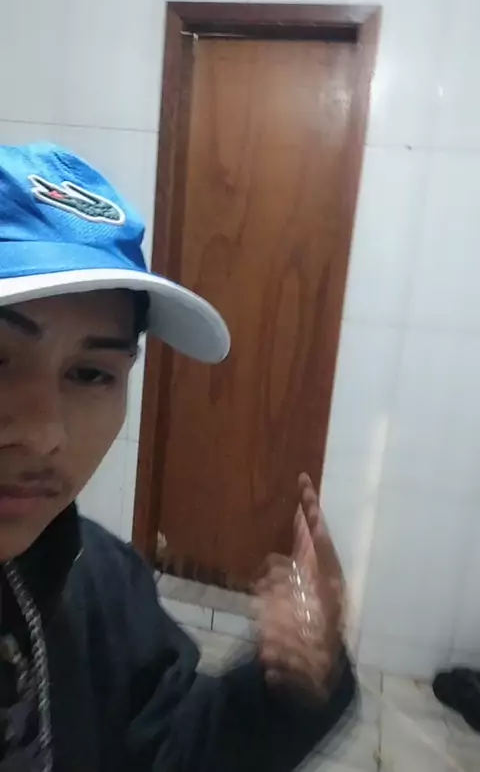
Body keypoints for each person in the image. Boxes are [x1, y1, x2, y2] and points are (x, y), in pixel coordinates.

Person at [0, 142, 356, 772]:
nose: (44, 433)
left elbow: (168, 747)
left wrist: (285, 693)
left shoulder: (98, 581)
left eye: (90, 373)